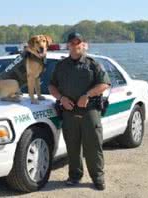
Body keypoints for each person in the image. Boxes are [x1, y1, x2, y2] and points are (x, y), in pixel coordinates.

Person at [48, 32, 111, 190]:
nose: (75, 46)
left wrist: (87, 95)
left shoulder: (92, 64)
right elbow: (51, 86)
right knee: (72, 147)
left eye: (78, 43)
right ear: (68, 45)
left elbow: (105, 84)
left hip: (89, 112)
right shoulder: (61, 65)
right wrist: (61, 98)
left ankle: (98, 177)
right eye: (72, 43)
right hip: (69, 112)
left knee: (93, 147)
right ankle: (75, 176)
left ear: (84, 45)